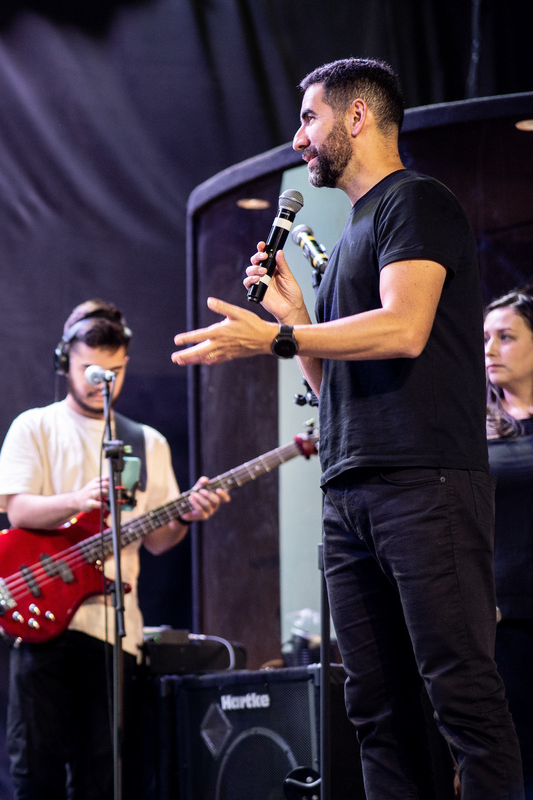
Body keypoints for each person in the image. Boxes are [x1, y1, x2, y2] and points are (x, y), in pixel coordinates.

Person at [171, 58, 523, 797]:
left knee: (462, 698)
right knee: (377, 711)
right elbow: (334, 388)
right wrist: (297, 318)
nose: (299, 137)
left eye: (309, 118)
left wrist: (276, 338)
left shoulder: (415, 201)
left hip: (425, 485)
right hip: (351, 494)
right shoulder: (353, 233)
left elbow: (403, 328)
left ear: (356, 116)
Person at [0, 299, 227, 800]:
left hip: (114, 632)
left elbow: (158, 540)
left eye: (114, 373)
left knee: (104, 778)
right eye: (91, 371)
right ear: (65, 362)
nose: (103, 384)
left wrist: (185, 515)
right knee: (36, 771)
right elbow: (17, 511)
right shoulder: (35, 426)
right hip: (44, 619)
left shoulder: (146, 442)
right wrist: (78, 500)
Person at [484, 289, 533, 799]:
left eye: (506, 337)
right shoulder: (474, 429)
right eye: (485, 338)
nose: (490, 349)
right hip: (504, 617)